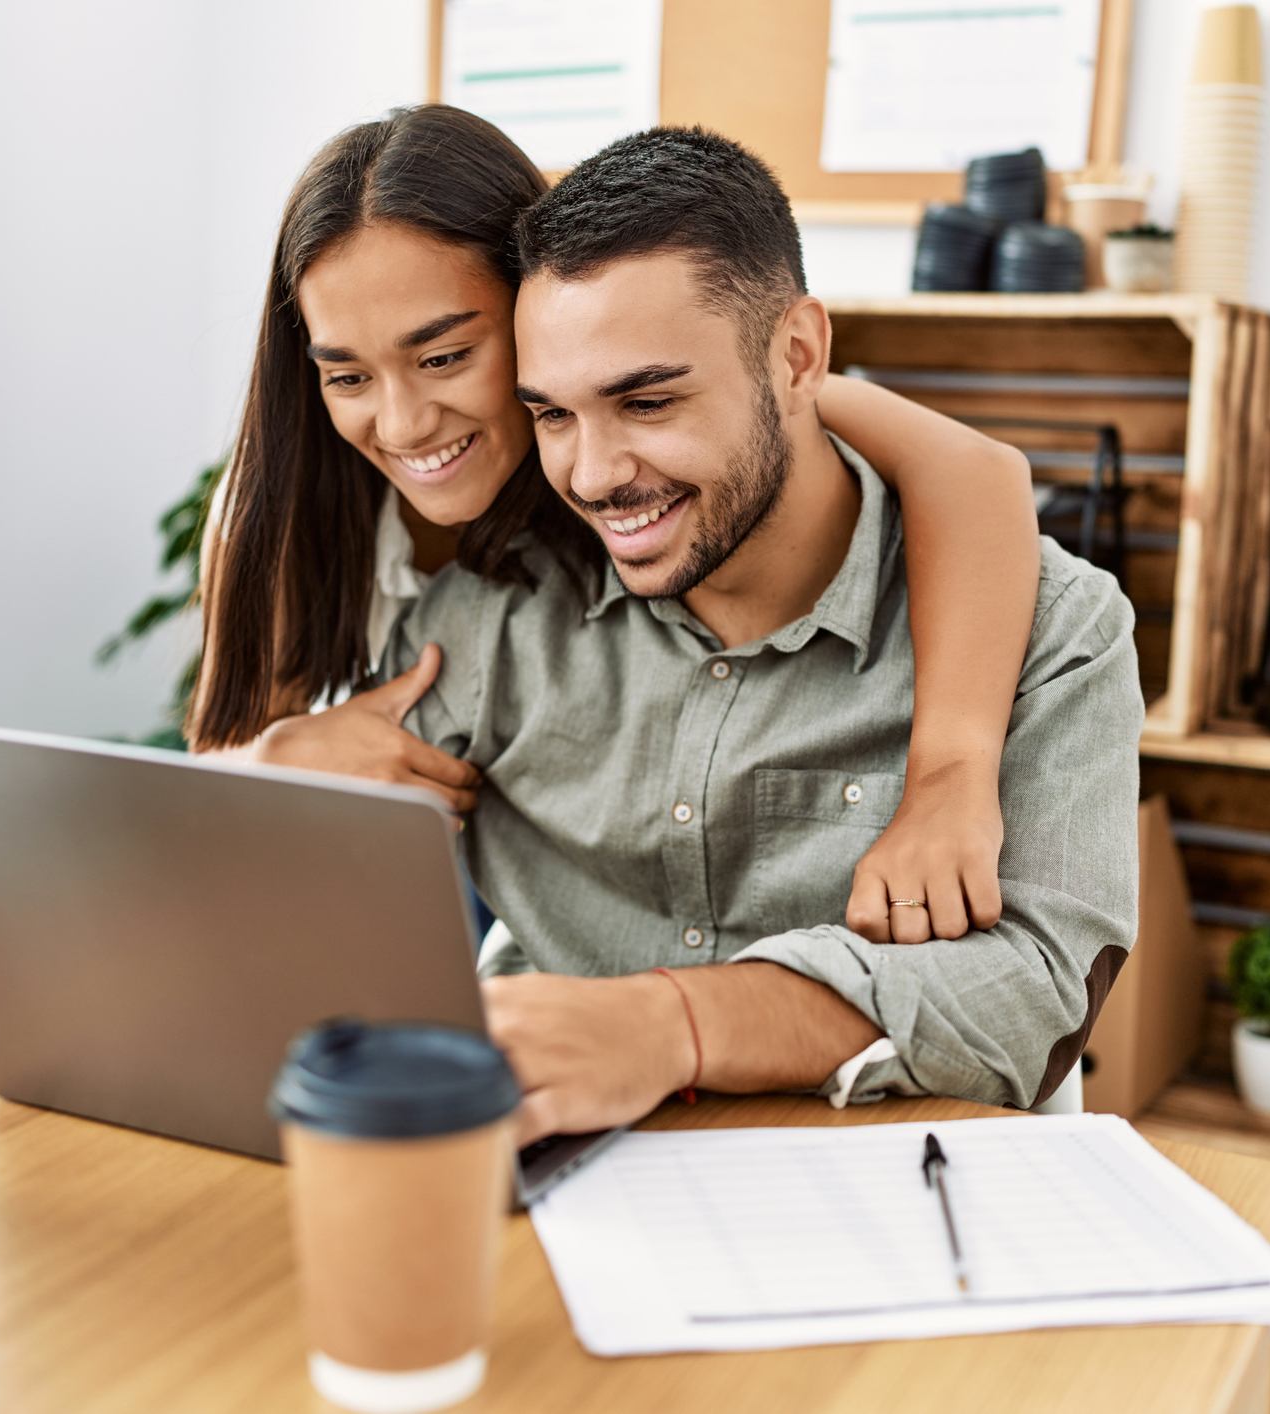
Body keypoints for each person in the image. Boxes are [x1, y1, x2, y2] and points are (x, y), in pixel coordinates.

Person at [368, 127, 1145, 1144]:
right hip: (568, 1203)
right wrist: (283, 779)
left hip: (903, 1205)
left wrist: (673, 1023)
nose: (593, 474)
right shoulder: (491, 617)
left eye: (646, 400)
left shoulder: (1054, 629)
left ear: (797, 355)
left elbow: (1035, 996)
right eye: (552, 414)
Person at [186, 105, 1041, 943]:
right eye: (347, 376)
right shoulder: (280, 517)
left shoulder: (662, 417)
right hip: (422, 820)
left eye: (445, 356)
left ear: (535, 308)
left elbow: (976, 472)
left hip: (582, 807)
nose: (404, 424)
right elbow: (202, 807)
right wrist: (276, 766)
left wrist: (950, 775)